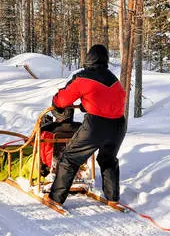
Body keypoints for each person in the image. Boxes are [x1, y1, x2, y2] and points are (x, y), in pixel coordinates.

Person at [47, 44, 126, 205]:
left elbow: (62, 100)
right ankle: (113, 198)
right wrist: (86, 104)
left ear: (88, 58)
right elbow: (108, 100)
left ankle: (55, 199)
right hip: (119, 125)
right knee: (108, 160)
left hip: (96, 125)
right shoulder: (114, 79)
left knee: (69, 159)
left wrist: (55, 102)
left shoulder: (83, 77)